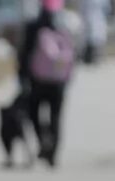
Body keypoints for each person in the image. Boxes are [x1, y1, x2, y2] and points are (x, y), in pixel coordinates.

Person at [19, 0, 77, 167]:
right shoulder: (66, 27)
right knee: (56, 117)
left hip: (38, 79)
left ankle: (44, 141)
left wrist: (22, 76)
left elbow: (24, 54)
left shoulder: (34, 26)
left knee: (34, 113)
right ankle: (53, 154)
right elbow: (74, 55)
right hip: (59, 80)